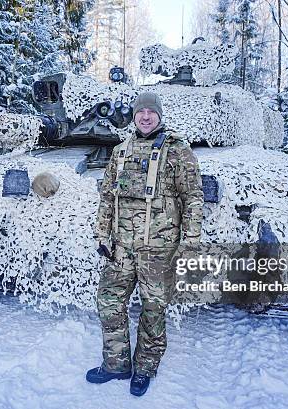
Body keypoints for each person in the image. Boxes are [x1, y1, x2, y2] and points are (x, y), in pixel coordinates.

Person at [86, 92, 204, 396]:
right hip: (121, 248)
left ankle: (145, 368)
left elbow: (192, 198)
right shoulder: (121, 150)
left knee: (153, 309)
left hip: (159, 250)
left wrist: (189, 242)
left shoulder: (177, 151)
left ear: (160, 115)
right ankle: (116, 364)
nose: (146, 116)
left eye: (152, 111)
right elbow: (108, 197)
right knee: (109, 302)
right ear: (135, 116)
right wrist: (102, 235)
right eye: (141, 112)